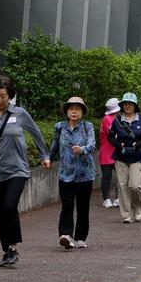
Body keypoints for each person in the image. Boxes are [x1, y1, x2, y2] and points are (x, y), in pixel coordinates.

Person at [0, 75, 51, 267]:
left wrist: (44, 156)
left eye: (3, 96)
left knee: (9, 206)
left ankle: (13, 248)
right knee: (0, 213)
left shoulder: (20, 113)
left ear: (10, 96)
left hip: (17, 171)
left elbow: (36, 132)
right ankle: (6, 250)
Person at [50, 97, 96, 249]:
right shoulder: (59, 127)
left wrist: (82, 149)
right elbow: (54, 146)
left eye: (77, 109)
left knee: (83, 207)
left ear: (83, 112)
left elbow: (92, 144)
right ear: (66, 111)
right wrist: (48, 159)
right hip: (66, 173)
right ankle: (66, 235)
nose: (74, 111)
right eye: (71, 109)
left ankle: (81, 237)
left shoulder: (87, 126)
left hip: (85, 174)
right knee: (67, 205)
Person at [108, 93, 141, 223]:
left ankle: (137, 208)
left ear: (135, 106)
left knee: (134, 186)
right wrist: (117, 144)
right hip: (120, 157)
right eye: (125, 104)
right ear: (122, 106)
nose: (127, 106)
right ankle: (126, 214)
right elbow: (110, 136)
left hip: (136, 157)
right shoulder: (117, 120)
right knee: (122, 186)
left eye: (130, 104)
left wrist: (139, 144)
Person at [99, 98, 120, 208]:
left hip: (116, 152)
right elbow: (115, 135)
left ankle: (118, 198)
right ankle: (106, 198)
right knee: (107, 177)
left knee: (120, 176)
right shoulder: (107, 119)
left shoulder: (117, 119)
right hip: (107, 153)